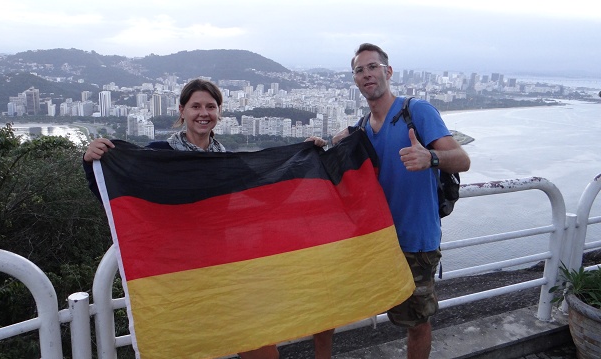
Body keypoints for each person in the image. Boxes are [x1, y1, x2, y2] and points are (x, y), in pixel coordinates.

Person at [83, 78, 326, 359]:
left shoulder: (227, 161)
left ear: (219, 112)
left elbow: (269, 194)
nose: (203, 113)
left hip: (222, 268)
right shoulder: (159, 156)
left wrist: (306, 156)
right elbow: (118, 195)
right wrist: (93, 164)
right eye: (196, 106)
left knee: (261, 349)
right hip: (175, 272)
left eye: (211, 106)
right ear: (182, 110)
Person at [323, 43, 471, 359]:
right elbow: (337, 154)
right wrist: (317, 147)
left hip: (416, 241)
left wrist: (429, 157)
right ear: (355, 80)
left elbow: (461, 159)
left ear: (388, 72)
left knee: (416, 322)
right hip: (377, 242)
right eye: (359, 70)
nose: (367, 74)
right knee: (333, 303)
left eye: (372, 67)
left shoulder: (416, 111)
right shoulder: (362, 127)